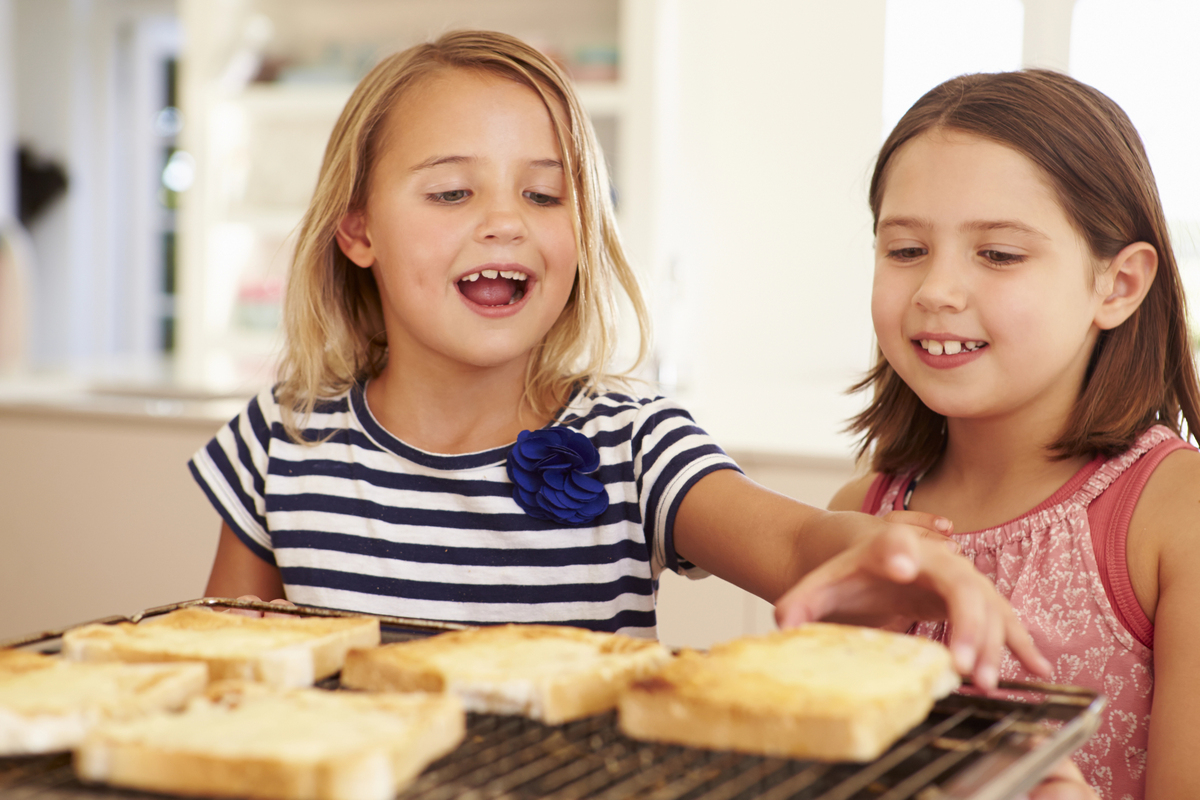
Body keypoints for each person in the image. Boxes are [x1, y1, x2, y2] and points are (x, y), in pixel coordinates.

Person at [190, 30, 1045, 689]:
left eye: (544, 193)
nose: (506, 222)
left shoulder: (633, 440)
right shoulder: (281, 439)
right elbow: (217, 664)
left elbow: (787, 541)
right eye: (453, 192)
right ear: (359, 232)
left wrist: (868, 550)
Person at [830, 69, 1200, 800]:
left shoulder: (1175, 515)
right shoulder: (859, 514)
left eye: (998, 254)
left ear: (1118, 285)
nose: (937, 290)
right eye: (905, 250)